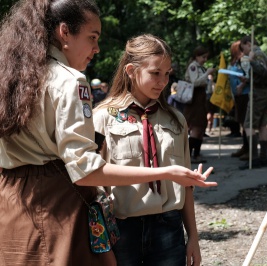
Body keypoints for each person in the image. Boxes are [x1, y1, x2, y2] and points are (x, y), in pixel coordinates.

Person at [0, 1, 216, 265]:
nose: (97, 48)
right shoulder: (69, 81)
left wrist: (191, 234)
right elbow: (86, 171)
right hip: (57, 207)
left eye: (167, 74)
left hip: (13, 205)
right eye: (92, 37)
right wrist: (166, 172)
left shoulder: (13, 78)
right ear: (64, 32)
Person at [93, 34, 203, 266]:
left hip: (168, 228)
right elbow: (92, 184)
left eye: (167, 74)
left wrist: (193, 236)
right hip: (121, 228)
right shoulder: (103, 117)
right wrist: (100, 242)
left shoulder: (176, 120)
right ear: (131, 70)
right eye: (155, 73)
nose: (163, 81)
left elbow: (187, 184)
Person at [238, 36, 267, 170]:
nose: (244, 52)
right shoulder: (260, 54)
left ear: (248, 44)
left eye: (243, 48)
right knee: (262, 125)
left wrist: (251, 61)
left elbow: (262, 72)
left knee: (248, 124)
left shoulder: (257, 55)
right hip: (262, 92)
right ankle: (263, 157)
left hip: (259, 93)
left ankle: (254, 158)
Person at [184, 46, 216, 163]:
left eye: (206, 57)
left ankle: (196, 154)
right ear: (197, 56)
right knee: (196, 127)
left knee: (201, 127)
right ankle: (188, 155)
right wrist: (207, 73)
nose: (205, 59)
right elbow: (194, 82)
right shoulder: (193, 66)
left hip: (201, 98)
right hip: (194, 99)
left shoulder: (200, 67)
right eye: (203, 57)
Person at [228, 40, 250, 160]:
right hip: (237, 96)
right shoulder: (235, 62)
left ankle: (249, 149)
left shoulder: (244, 60)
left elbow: (248, 75)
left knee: (246, 123)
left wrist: (242, 85)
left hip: (245, 94)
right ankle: (245, 147)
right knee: (242, 122)